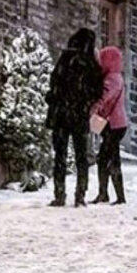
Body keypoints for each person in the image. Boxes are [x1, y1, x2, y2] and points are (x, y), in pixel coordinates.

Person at [45, 27, 103, 206]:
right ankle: (81, 194)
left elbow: (55, 81)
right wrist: (84, 103)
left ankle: (60, 194)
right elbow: (97, 90)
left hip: (62, 113)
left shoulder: (65, 58)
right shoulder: (91, 64)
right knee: (81, 156)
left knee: (60, 155)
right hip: (79, 115)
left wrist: (55, 99)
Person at [89, 45, 128, 204]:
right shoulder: (114, 76)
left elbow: (105, 97)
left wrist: (92, 107)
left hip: (114, 125)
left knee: (106, 158)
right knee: (110, 157)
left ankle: (110, 195)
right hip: (114, 124)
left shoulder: (112, 78)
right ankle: (112, 195)